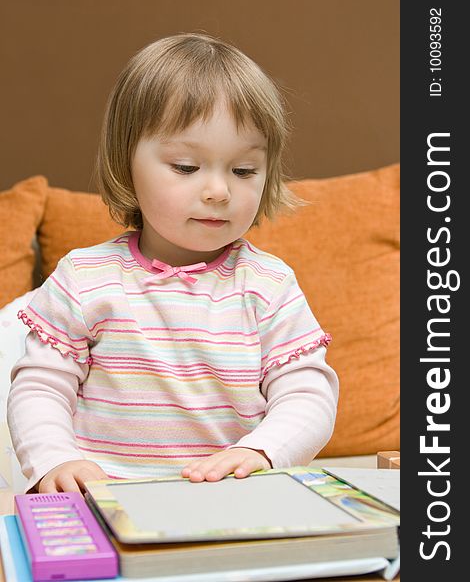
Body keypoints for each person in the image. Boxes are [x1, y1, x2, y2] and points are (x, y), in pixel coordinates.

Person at [7, 32, 338, 494]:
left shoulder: (269, 285)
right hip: (105, 498)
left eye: (244, 171)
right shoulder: (83, 279)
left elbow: (308, 393)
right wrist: (54, 460)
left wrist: (262, 450)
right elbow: (40, 387)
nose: (219, 191)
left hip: (235, 500)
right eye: (186, 167)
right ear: (126, 163)